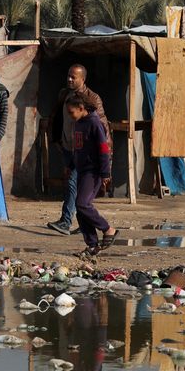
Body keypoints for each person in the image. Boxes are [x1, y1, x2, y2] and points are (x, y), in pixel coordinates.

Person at [47, 64, 111, 236]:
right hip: (68, 146)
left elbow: (102, 127)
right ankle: (85, 223)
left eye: (73, 77)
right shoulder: (64, 94)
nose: (69, 79)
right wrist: (56, 139)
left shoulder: (92, 99)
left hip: (83, 151)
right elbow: (57, 117)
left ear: (83, 79)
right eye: (68, 76)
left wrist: (106, 163)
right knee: (77, 189)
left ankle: (66, 222)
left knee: (73, 186)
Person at [64, 94, 118, 258]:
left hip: (94, 171)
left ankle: (108, 229)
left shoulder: (95, 123)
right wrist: (71, 165)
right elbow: (78, 148)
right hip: (82, 170)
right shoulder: (78, 123)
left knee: (82, 204)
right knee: (80, 211)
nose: (70, 116)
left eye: (72, 112)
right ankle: (92, 245)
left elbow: (103, 149)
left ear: (81, 108)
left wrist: (105, 172)